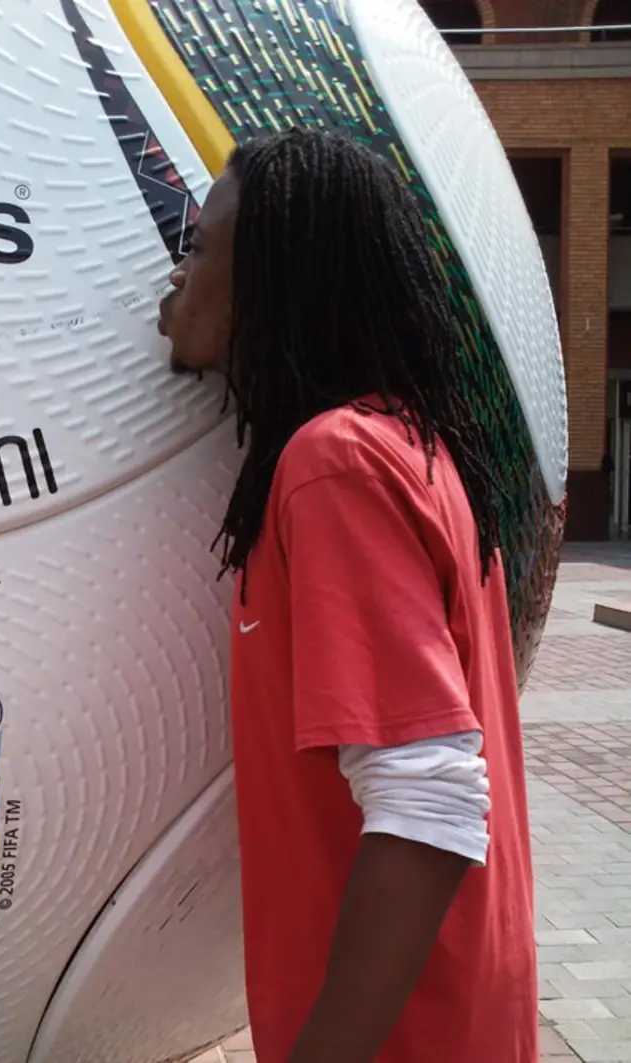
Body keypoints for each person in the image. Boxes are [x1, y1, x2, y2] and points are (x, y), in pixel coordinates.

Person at [158, 128, 536, 1063]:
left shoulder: (337, 462)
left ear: (278, 273)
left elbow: (430, 803)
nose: (171, 277)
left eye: (194, 245)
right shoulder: (408, 443)